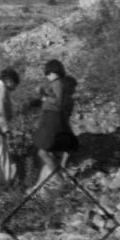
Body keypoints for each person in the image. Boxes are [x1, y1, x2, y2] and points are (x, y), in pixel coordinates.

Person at [26, 59, 79, 194]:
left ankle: (61, 181)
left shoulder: (57, 84)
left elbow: (58, 103)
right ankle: (59, 178)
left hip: (52, 123)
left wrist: (43, 96)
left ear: (54, 72)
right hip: (53, 122)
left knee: (43, 152)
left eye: (49, 73)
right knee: (44, 152)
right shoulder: (57, 86)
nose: (47, 76)